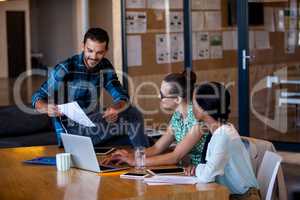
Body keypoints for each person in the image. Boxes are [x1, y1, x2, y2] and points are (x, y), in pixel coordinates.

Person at [32, 27, 149, 147]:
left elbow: (122, 96)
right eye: (90, 50)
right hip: (71, 131)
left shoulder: (105, 66)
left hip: (93, 124)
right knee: (134, 117)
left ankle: (143, 156)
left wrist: (115, 108)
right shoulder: (65, 68)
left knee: (136, 132)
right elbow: (37, 97)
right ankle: (144, 158)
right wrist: (46, 108)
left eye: (99, 52)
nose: (93, 57)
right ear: (83, 46)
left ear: (106, 50)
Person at [103, 70, 211, 167]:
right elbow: (157, 148)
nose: (159, 97)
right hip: (190, 170)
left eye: (162, 95)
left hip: (205, 174)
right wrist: (129, 155)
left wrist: (136, 161)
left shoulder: (198, 117)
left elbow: (175, 156)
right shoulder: (177, 115)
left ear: (177, 99)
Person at [185, 82, 260, 200]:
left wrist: (197, 169)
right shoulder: (219, 131)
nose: (191, 106)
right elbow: (210, 170)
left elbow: (207, 176)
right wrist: (200, 169)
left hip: (244, 197)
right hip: (230, 195)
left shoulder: (223, 135)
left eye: (193, 102)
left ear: (205, 109)